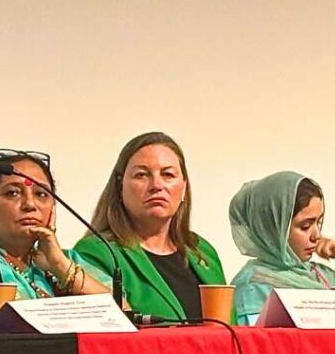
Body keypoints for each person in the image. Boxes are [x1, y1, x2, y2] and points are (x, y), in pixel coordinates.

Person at [73, 132, 227, 320]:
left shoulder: (202, 251)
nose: (156, 185)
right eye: (142, 175)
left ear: (184, 187)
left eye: (168, 174)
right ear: (120, 186)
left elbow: (231, 329)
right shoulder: (97, 253)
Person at [229, 170, 335, 325]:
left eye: (319, 222)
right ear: (273, 229)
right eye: (305, 226)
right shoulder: (252, 286)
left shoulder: (325, 277)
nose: (317, 235)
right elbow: (257, 348)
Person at [0, 149, 111, 299]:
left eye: (41, 194)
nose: (30, 204)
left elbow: (124, 310)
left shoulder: (66, 259)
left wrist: (60, 266)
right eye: (13, 193)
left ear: (53, 207)